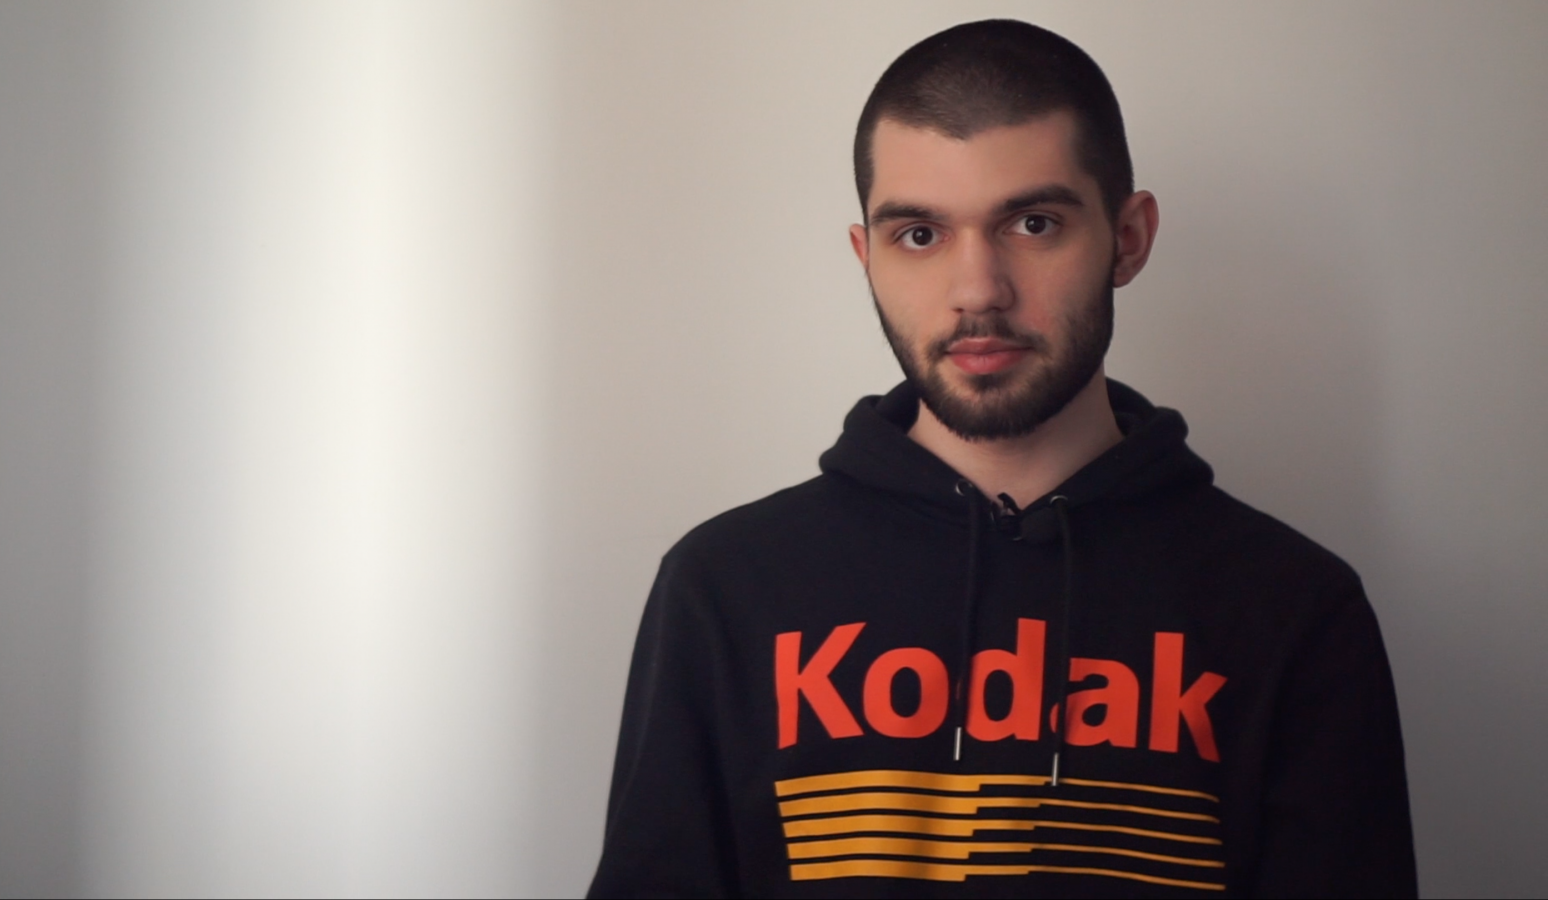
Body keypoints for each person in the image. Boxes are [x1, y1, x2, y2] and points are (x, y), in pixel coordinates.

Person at [587, 19, 1416, 899]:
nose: (978, 289)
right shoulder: (726, 588)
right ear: (866, 258)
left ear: (1129, 238)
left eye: (1032, 223)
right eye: (920, 235)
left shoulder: (1293, 608)